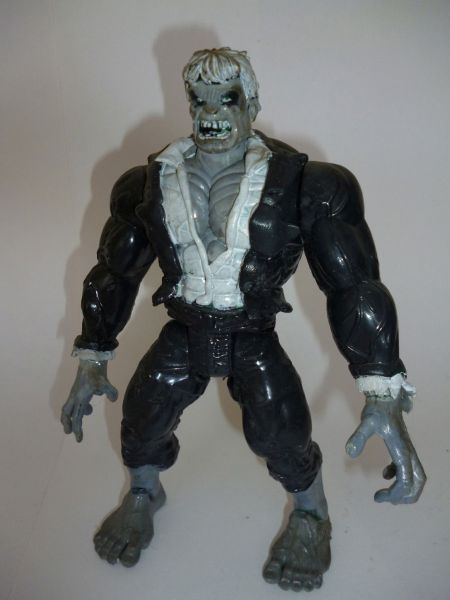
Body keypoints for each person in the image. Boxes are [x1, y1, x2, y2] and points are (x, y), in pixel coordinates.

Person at [61, 47, 425, 592]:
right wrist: (93, 353)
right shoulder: (148, 183)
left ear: (251, 103)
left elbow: (353, 286)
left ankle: (311, 515)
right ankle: (143, 492)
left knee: (283, 431)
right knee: (141, 416)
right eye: (199, 99)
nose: (211, 112)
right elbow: (115, 272)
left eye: (226, 98)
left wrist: (382, 390)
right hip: (185, 327)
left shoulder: (306, 185)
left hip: (251, 332)